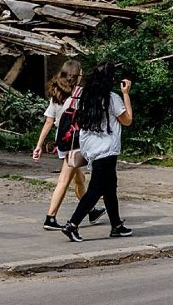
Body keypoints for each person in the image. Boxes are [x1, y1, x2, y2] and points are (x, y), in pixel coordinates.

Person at [62, 62, 133, 242]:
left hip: (91, 149)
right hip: (107, 151)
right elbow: (127, 120)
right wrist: (126, 94)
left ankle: (117, 225)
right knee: (95, 190)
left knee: (110, 189)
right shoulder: (112, 98)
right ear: (110, 79)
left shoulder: (86, 97)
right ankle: (72, 224)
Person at [32, 60, 105, 230]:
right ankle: (50, 218)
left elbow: (49, 122)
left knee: (79, 178)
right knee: (64, 180)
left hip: (62, 140)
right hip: (75, 142)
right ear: (77, 75)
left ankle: (91, 210)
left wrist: (38, 145)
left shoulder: (57, 94)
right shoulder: (80, 94)